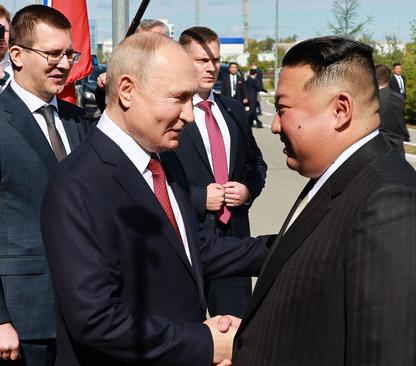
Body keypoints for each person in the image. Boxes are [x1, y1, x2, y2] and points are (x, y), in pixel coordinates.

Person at [40, 32, 271, 366]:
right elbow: (96, 321)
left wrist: (285, 248)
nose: (189, 115)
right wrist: (205, 343)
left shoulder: (161, 160)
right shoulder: (79, 185)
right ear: (127, 90)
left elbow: (192, 248)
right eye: (178, 98)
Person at [231, 36, 416, 365]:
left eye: (283, 109)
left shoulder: (392, 204)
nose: (275, 126)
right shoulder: (337, 176)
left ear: (340, 110)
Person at [0, 5, 89, 365]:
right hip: (23, 321)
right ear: (17, 55)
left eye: (68, 54)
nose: (63, 63)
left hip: (87, 313)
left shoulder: (79, 123)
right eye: (51, 54)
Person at [176, 26, 267, 317]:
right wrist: (198, 198)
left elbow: (256, 164)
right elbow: (151, 177)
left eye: (215, 60)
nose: (211, 67)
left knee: (233, 335)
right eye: (202, 60)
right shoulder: (169, 111)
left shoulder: (232, 110)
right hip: (187, 241)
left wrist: (248, 190)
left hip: (233, 240)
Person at [95, 19, 170, 113]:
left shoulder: (180, 75)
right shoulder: (124, 72)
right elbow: (109, 110)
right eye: (141, 42)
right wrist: (106, 88)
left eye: (155, 41)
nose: (148, 47)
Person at [375, 64, 409, 155]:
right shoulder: (399, 98)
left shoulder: (374, 98)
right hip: (398, 145)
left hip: (380, 146)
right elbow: (400, 119)